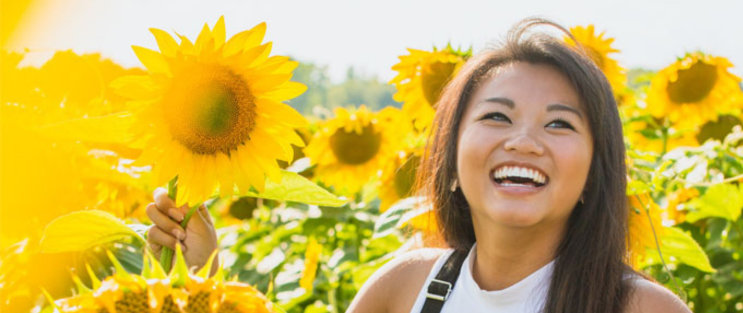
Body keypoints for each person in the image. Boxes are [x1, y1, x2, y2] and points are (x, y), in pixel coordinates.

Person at [146, 18, 692, 313]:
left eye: (559, 125)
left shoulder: (642, 309)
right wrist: (203, 277)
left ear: (596, 173)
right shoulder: (406, 289)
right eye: (497, 117)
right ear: (451, 158)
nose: (524, 142)